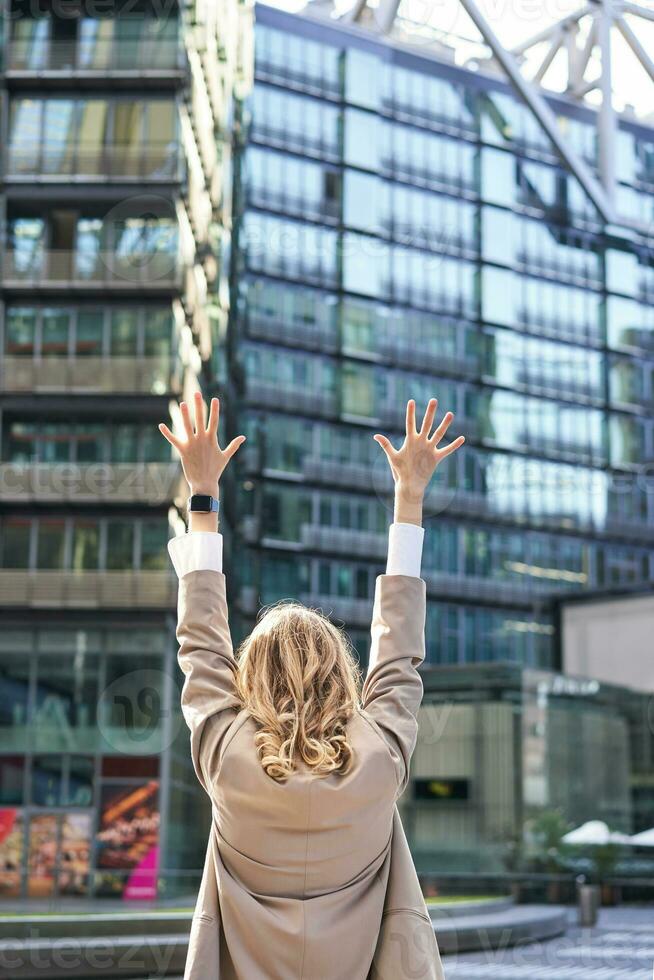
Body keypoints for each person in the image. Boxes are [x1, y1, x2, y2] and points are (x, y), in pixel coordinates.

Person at [159, 394, 464, 980]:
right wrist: (409, 499)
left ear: (250, 677)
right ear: (341, 673)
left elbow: (200, 643)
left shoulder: (227, 757)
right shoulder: (380, 755)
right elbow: (400, 653)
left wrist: (202, 494)